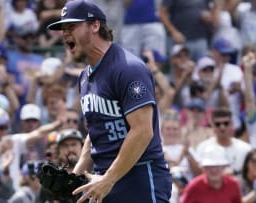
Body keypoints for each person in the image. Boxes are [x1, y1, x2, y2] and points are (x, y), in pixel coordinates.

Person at [47, 1, 172, 202]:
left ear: (95, 26)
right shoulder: (85, 77)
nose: (65, 34)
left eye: (71, 27)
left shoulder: (128, 68)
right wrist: (75, 176)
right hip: (103, 178)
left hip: (139, 177)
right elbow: (96, 131)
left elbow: (142, 131)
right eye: (63, 29)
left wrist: (109, 179)